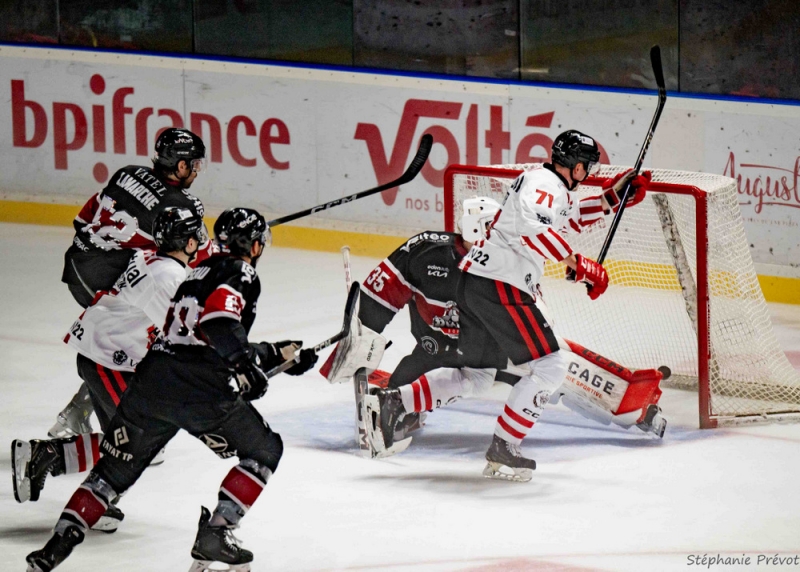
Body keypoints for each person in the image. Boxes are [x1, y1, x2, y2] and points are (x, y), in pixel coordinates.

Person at [25, 208, 319, 572]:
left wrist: (276, 355)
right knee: (264, 449)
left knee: (109, 475)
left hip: (152, 380)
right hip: (198, 388)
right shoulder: (241, 272)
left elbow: (197, 334)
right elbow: (220, 322)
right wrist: (245, 363)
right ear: (255, 246)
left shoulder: (194, 272)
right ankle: (217, 532)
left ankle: (54, 549)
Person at [370, 130, 653, 481]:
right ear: (577, 167)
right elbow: (534, 229)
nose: (588, 174)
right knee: (552, 365)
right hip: (501, 285)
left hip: (477, 282)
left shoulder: (547, 184)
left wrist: (611, 198)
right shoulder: (544, 184)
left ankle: (393, 402)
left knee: (477, 375)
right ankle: (504, 447)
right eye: (587, 167)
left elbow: (570, 216)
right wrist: (580, 266)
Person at [12, 207, 205, 532]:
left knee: (125, 441)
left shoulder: (156, 262)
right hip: (109, 359)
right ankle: (44, 455)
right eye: (195, 236)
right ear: (186, 243)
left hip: (107, 354)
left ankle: (94, 497)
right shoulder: (168, 278)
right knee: (137, 441)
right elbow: (183, 337)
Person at [50, 128, 211, 440]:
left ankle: (84, 410)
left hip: (78, 266)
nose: (196, 170)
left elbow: (83, 219)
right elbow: (198, 258)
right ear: (180, 166)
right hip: (108, 278)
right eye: (194, 163)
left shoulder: (127, 174)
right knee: (138, 341)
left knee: (130, 338)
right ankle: (85, 412)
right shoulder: (182, 205)